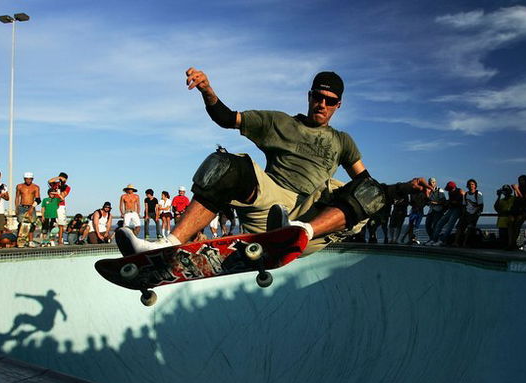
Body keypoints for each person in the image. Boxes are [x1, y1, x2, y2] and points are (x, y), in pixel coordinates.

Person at [116, 67, 427, 257]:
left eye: (329, 101)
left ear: (338, 105)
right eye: (318, 96)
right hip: (271, 205)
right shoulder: (278, 122)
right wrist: (207, 90)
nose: (322, 104)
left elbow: (368, 186)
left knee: (367, 191)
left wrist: (406, 188)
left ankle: (298, 230)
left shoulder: (343, 141)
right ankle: (166, 244)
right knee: (227, 163)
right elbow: (227, 118)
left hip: (312, 219)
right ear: (309, 95)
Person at [430, 181, 464, 246]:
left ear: (453, 187)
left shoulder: (460, 191)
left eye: (450, 189)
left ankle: (442, 240)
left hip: (457, 209)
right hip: (451, 209)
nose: (449, 190)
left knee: (450, 225)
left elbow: (462, 201)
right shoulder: (450, 192)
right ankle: (434, 240)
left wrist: (453, 202)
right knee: (440, 223)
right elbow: (450, 202)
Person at [454, 179, 484, 247]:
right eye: (469, 184)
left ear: (475, 186)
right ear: (467, 186)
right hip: (466, 213)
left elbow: (480, 206)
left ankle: (465, 243)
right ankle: (456, 242)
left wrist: (474, 215)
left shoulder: (478, 194)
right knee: (459, 227)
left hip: (474, 214)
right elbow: (464, 205)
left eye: (472, 184)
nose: (471, 186)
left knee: (470, 228)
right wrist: (464, 214)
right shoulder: (466, 194)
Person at [16, 172, 40, 247]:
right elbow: (17, 197)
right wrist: (16, 208)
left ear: (32, 179)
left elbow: (38, 199)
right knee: (21, 224)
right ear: (24, 179)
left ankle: (30, 241)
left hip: (31, 206)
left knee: (32, 224)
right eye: (27, 179)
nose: (28, 181)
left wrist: (32, 208)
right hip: (22, 207)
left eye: (30, 179)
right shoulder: (19, 186)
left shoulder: (35, 187)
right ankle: (20, 241)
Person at [48, 173, 71, 245]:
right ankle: (50, 239)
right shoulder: (55, 184)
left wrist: (57, 191)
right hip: (53, 204)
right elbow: (49, 181)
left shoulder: (67, 187)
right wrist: (58, 178)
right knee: (52, 221)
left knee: (61, 223)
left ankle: (60, 239)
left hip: (61, 205)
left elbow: (63, 195)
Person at [423, 178, 446, 245]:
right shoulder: (428, 191)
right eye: (429, 183)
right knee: (427, 225)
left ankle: (434, 240)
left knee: (435, 225)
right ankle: (432, 239)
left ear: (435, 183)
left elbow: (443, 201)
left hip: (438, 210)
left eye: (432, 182)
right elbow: (427, 201)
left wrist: (435, 203)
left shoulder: (440, 190)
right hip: (431, 210)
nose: (431, 184)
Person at [494, 185, 515, 249]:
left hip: (510, 222)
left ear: (510, 191)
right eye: (504, 190)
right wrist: (499, 196)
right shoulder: (501, 200)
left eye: (507, 190)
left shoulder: (513, 198)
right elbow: (496, 208)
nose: (506, 192)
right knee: (503, 240)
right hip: (501, 223)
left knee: (510, 239)